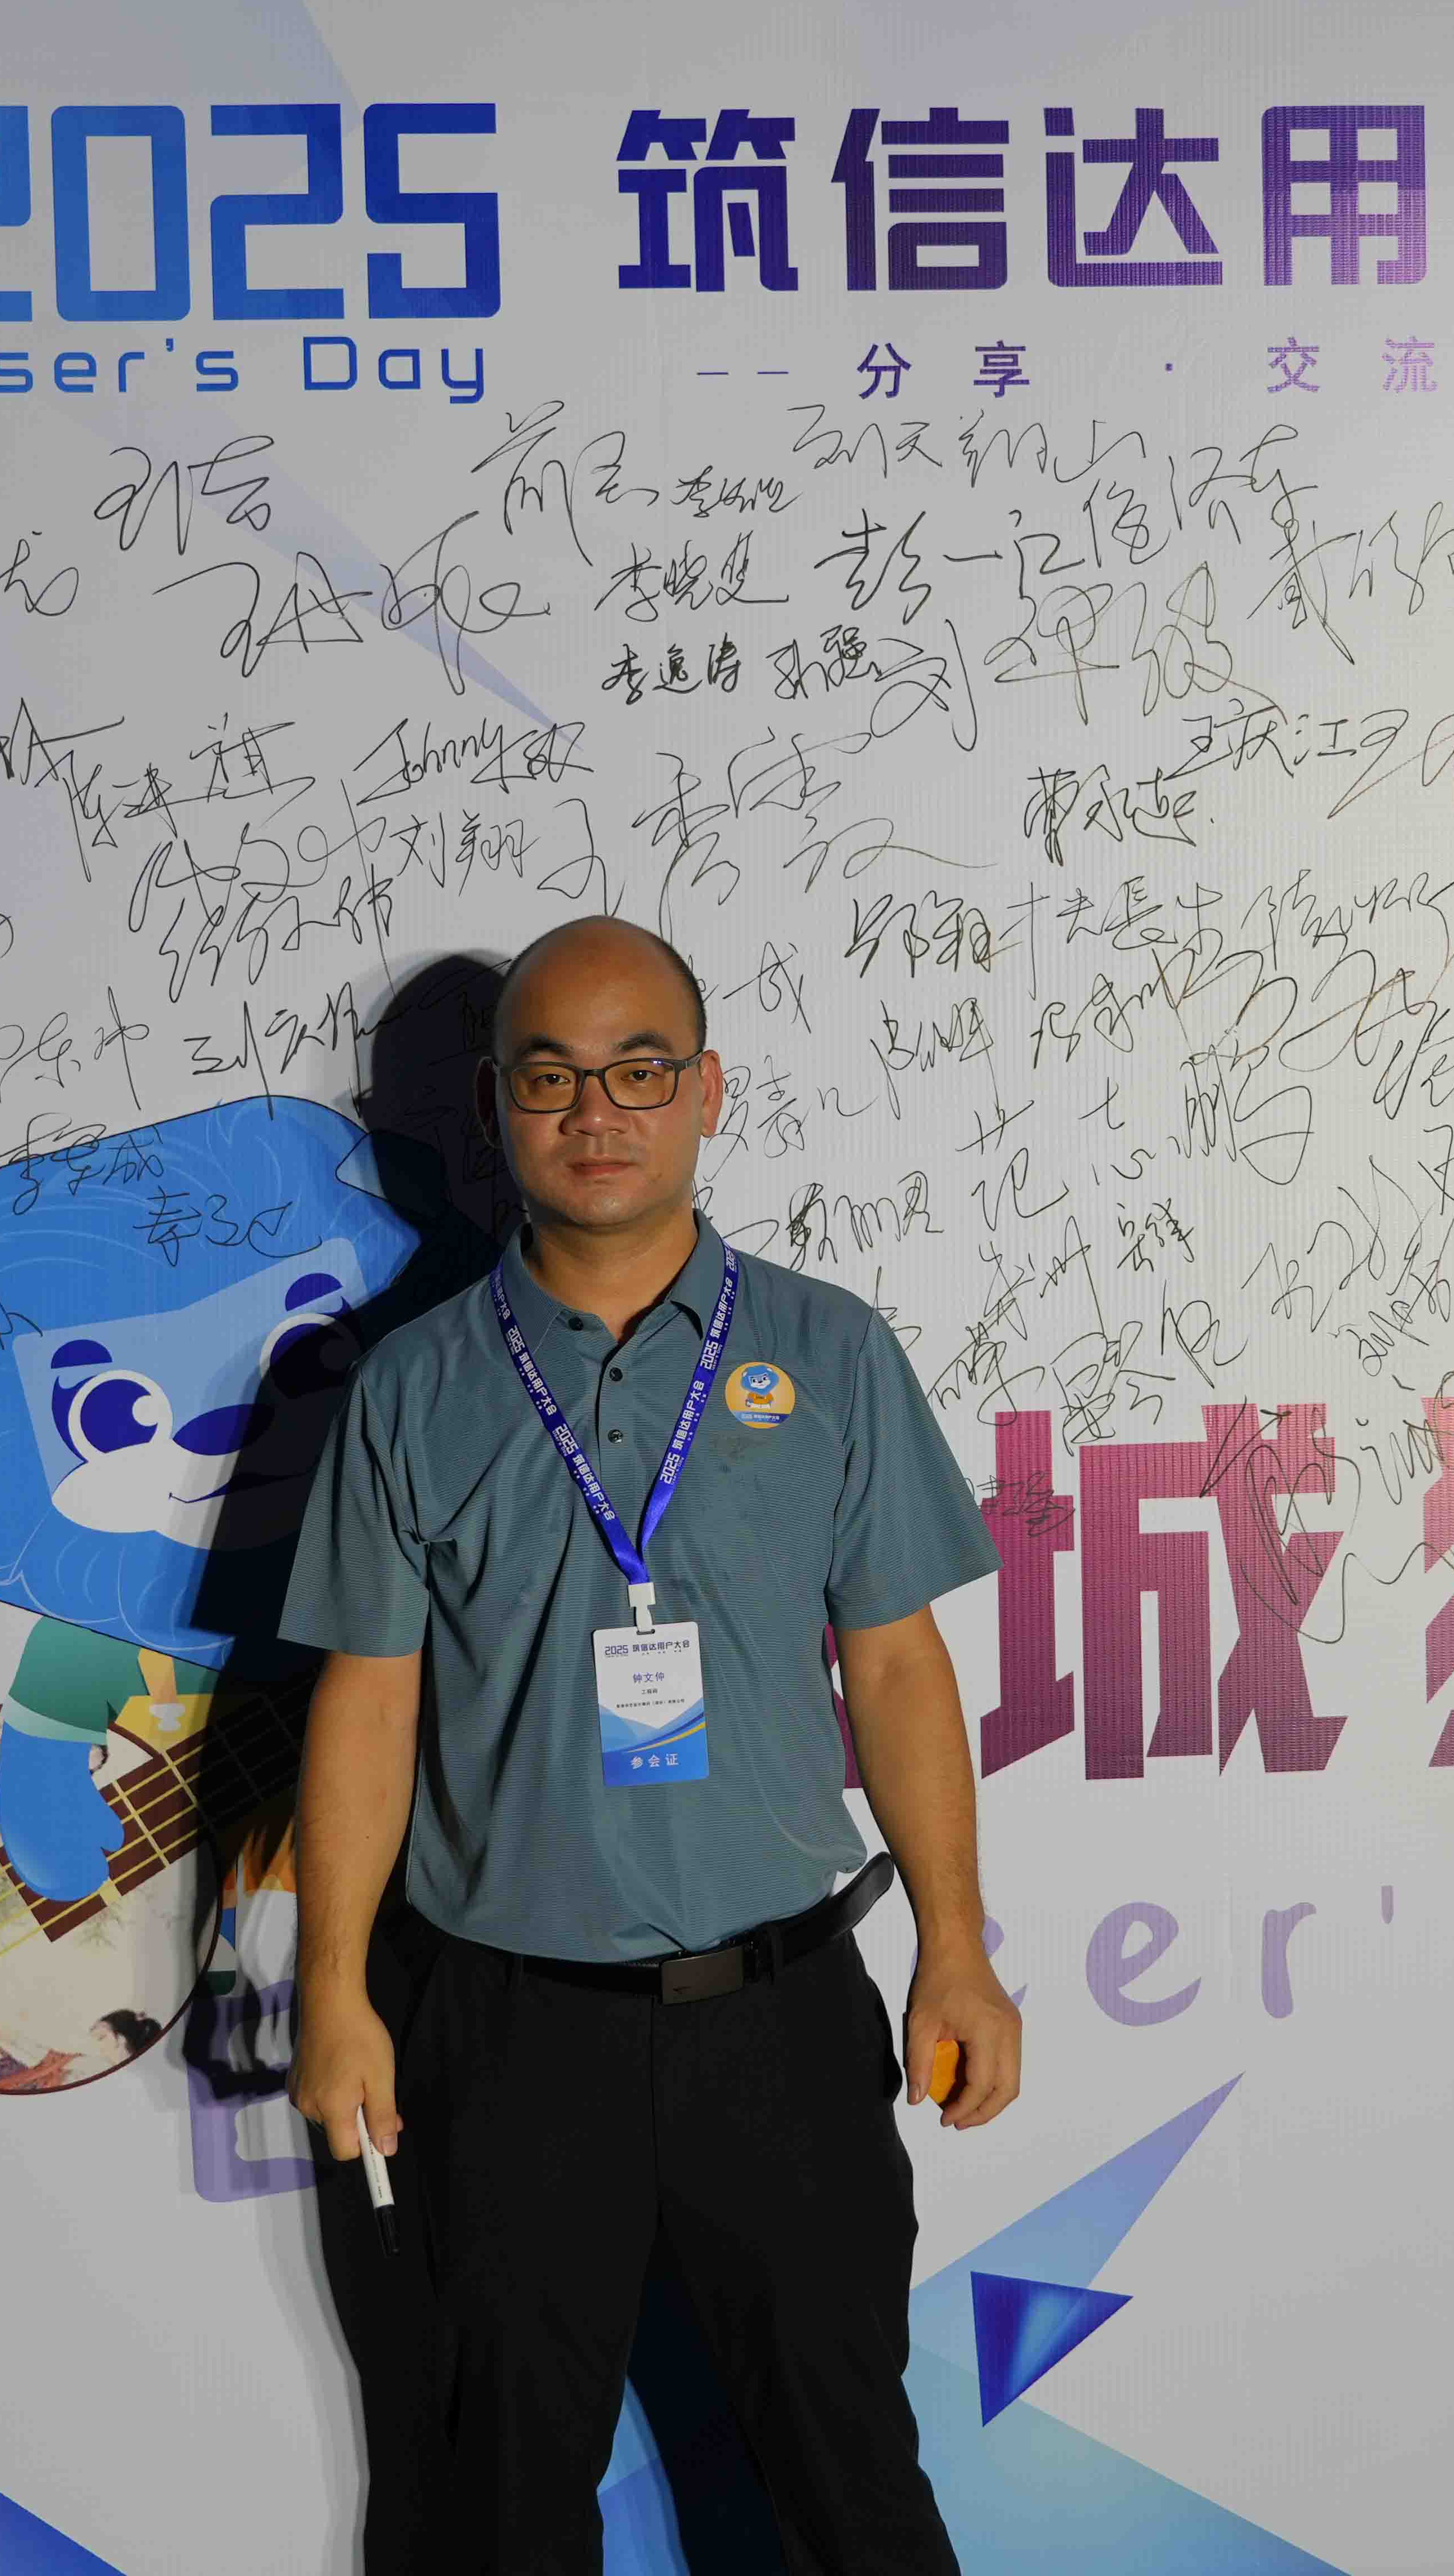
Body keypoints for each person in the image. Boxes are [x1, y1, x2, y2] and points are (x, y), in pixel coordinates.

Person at [280, 913, 1022, 2574]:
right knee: (494, 2512)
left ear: (706, 1092)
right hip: (504, 2038)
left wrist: (958, 1948)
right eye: (551, 1077)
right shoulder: (411, 1388)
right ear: (497, 1105)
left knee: (847, 2494)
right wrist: (333, 1990)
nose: (596, 1113)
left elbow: (898, 1670)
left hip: (781, 2024)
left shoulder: (829, 1352)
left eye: (638, 1072)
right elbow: (366, 1705)